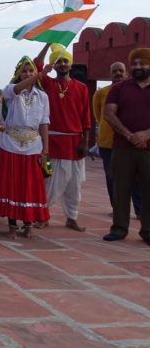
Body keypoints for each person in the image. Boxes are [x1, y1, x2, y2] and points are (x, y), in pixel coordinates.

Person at [34, 43, 91, 232]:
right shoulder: (48, 84)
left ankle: (72, 217)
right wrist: (48, 44)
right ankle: (43, 216)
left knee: (74, 185)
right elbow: (36, 66)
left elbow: (86, 116)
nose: (62, 64)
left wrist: (86, 140)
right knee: (50, 183)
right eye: (58, 61)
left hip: (75, 142)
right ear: (54, 65)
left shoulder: (81, 87)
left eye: (65, 60)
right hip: (54, 141)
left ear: (71, 65)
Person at [0, 57, 50, 239]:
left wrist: (45, 150)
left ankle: (28, 223)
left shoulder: (43, 96)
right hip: (11, 144)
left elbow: (44, 123)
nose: (27, 74)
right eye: (24, 71)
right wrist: (39, 75)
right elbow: (18, 88)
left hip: (33, 145)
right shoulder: (11, 91)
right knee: (12, 185)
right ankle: (11, 225)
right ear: (18, 74)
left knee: (30, 186)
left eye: (30, 71)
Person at [103, 48, 150, 245]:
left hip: (148, 149)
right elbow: (109, 114)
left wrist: (146, 134)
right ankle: (119, 228)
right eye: (134, 63)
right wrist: (129, 135)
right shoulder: (119, 88)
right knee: (120, 188)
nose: (137, 67)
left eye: (142, 63)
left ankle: (147, 231)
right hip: (123, 147)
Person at [93, 61, 141, 217]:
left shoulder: (135, 91)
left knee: (135, 178)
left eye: (121, 71)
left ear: (126, 73)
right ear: (110, 74)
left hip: (130, 142)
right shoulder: (102, 93)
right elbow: (97, 114)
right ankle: (118, 210)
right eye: (115, 71)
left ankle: (140, 210)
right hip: (108, 143)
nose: (118, 74)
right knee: (111, 177)